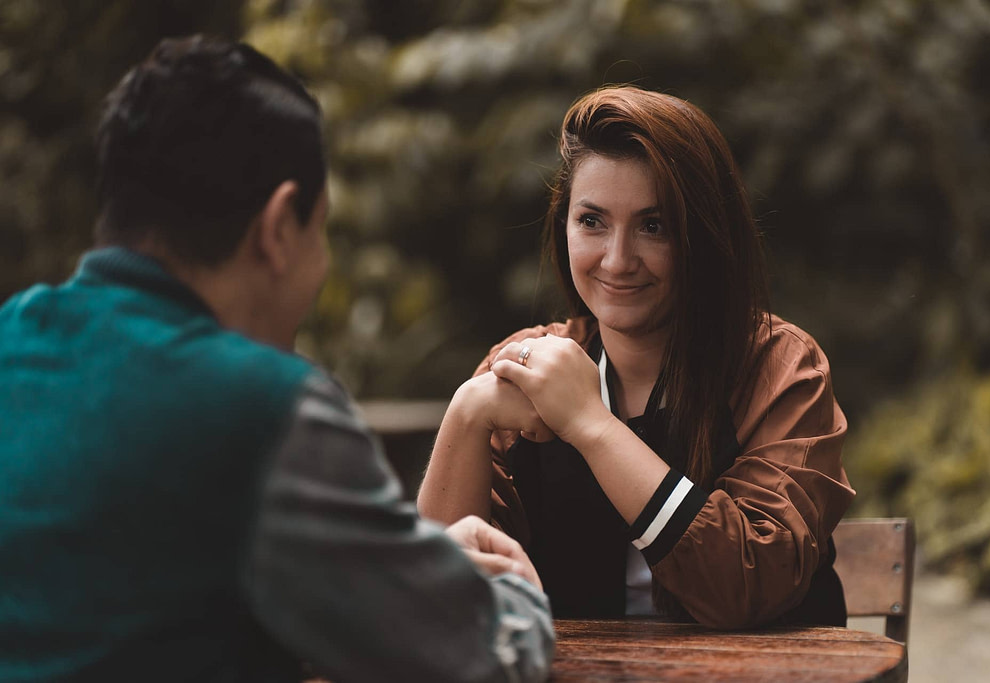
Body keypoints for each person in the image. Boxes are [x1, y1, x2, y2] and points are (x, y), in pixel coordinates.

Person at [0, 36, 552, 682]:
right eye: (320, 230)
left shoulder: (14, 340)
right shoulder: (266, 407)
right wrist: (516, 594)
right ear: (279, 226)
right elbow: (489, 654)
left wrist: (399, 565)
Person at [418, 85, 855, 629]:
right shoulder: (524, 365)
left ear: (704, 236)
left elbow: (749, 586)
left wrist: (590, 424)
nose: (618, 260)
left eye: (654, 226)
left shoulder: (781, 367)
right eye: (592, 221)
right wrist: (466, 412)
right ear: (564, 227)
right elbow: (439, 606)